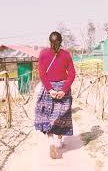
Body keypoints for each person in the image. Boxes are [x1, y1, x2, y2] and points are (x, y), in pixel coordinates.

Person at [34, 31, 76, 159]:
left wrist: (50, 89)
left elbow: (42, 74)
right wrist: (63, 89)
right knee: (61, 116)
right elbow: (72, 74)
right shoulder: (66, 54)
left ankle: (51, 141)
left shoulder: (43, 54)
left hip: (49, 89)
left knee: (47, 116)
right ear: (61, 41)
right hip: (63, 88)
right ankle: (59, 141)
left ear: (49, 42)